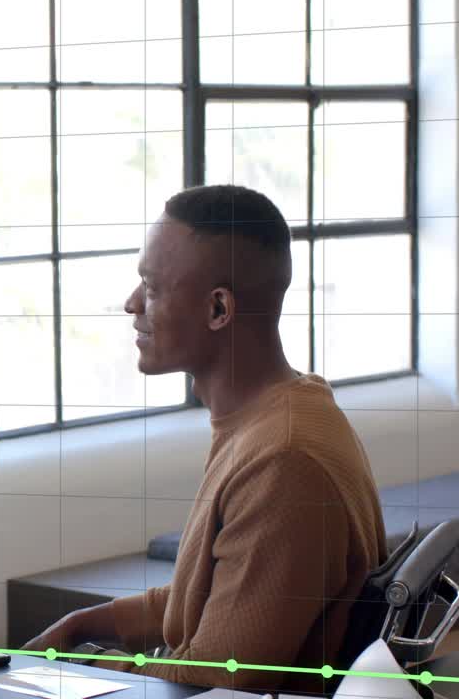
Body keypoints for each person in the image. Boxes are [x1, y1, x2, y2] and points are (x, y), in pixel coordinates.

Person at [22, 185, 387, 695]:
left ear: (219, 309)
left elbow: (216, 681)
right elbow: (219, 594)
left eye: (151, 288)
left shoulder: (283, 460)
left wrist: (83, 669)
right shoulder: (279, 414)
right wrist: (90, 624)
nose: (131, 305)